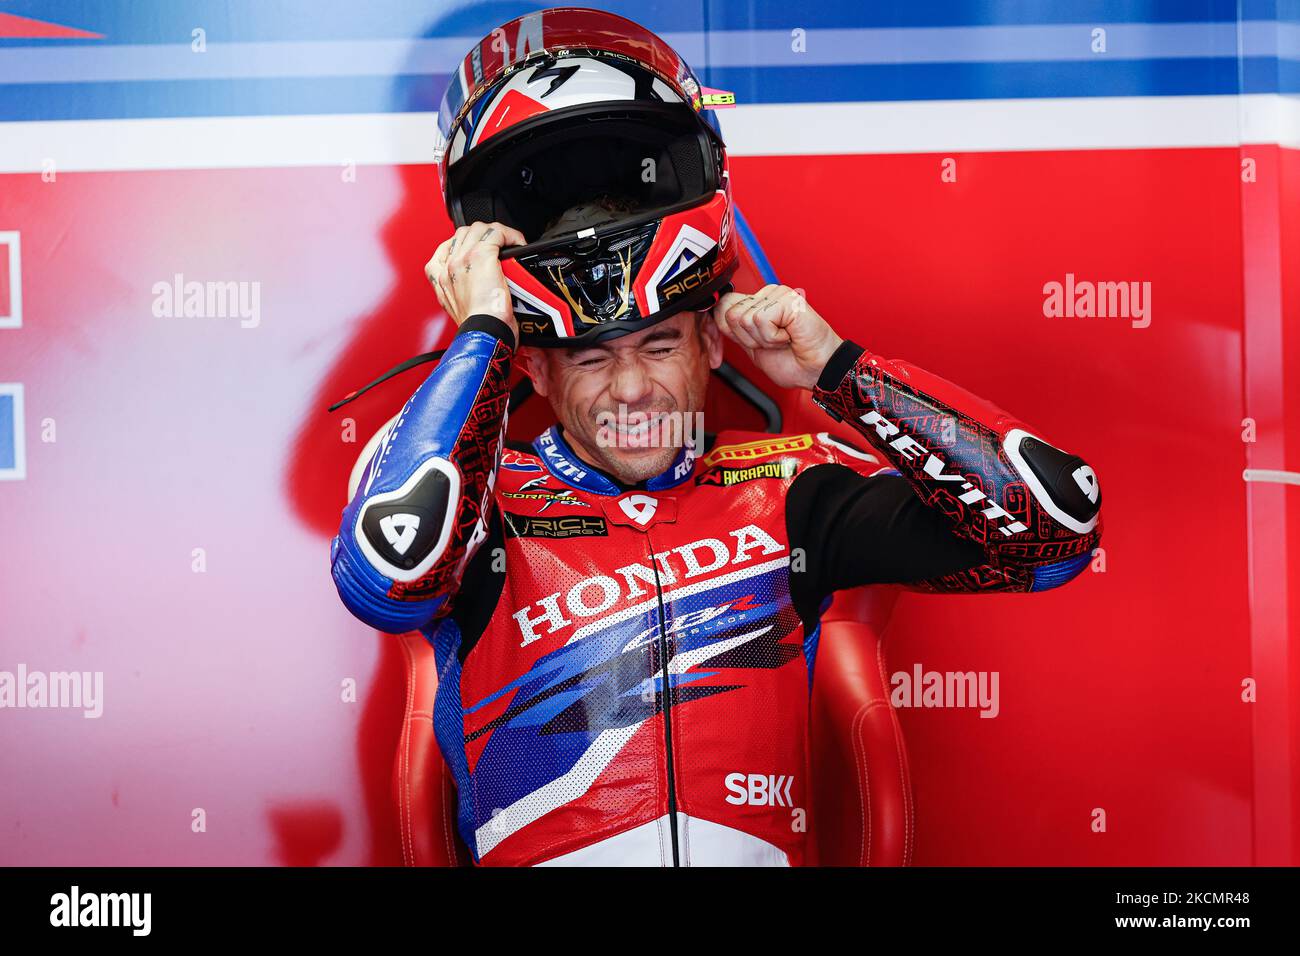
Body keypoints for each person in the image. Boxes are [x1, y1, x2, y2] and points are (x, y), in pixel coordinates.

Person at [330, 9, 1103, 866]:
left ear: (711, 344)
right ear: (534, 372)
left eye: (661, 344)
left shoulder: (791, 491)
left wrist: (839, 371)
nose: (631, 387)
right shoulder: (481, 502)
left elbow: (1050, 539)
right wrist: (482, 334)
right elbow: (386, 580)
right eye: (589, 358)